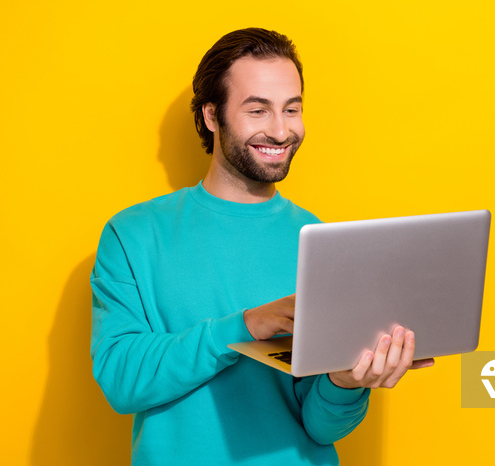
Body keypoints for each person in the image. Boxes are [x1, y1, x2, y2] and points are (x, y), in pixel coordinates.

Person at [90, 28, 434, 465]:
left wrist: (345, 383)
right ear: (212, 116)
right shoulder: (133, 234)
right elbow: (121, 381)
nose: (281, 130)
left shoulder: (324, 245)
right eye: (258, 110)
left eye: (292, 109)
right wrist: (244, 326)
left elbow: (321, 426)